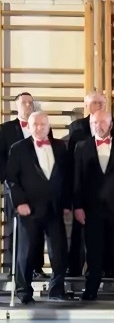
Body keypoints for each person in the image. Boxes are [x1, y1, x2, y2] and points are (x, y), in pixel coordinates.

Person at [6, 112, 71, 304]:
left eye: (43, 124)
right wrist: (19, 202)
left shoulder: (60, 147)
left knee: (58, 252)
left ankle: (57, 290)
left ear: (49, 126)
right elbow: (11, 179)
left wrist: (66, 204)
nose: (39, 128)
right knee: (26, 252)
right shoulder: (18, 148)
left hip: (55, 208)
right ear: (29, 126)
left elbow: (66, 177)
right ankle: (23, 292)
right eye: (35, 124)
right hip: (29, 208)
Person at [73, 110, 114, 301]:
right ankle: (91, 288)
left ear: (110, 125)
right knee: (93, 249)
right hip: (91, 208)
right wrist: (77, 206)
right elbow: (77, 180)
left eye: (102, 122)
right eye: (94, 122)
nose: (98, 126)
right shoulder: (81, 147)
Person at [67, 90, 114, 277]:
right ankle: (78, 270)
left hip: (113, 197)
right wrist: (76, 200)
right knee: (82, 237)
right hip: (87, 195)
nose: (98, 106)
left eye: (102, 103)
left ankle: (110, 272)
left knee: (113, 240)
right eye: (95, 102)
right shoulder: (77, 128)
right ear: (87, 106)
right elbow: (73, 165)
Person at [0, 92, 51, 277]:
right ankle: (16, 269)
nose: (28, 105)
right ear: (16, 106)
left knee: (38, 230)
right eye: (24, 102)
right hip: (15, 190)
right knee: (16, 231)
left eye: (31, 102)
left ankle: (36, 268)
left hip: (39, 191)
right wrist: (8, 180)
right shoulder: (5, 129)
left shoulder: (43, 127)